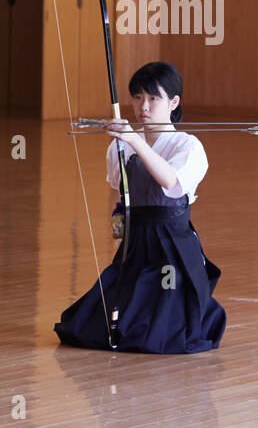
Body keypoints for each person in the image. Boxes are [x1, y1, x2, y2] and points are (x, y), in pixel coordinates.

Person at [55, 61, 226, 353]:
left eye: (153, 98)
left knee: (156, 334)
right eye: (137, 97)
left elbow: (171, 183)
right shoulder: (119, 147)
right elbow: (122, 193)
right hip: (136, 245)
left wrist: (134, 139)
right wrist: (119, 217)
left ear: (173, 102)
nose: (143, 106)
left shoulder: (188, 146)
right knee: (91, 327)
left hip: (173, 246)